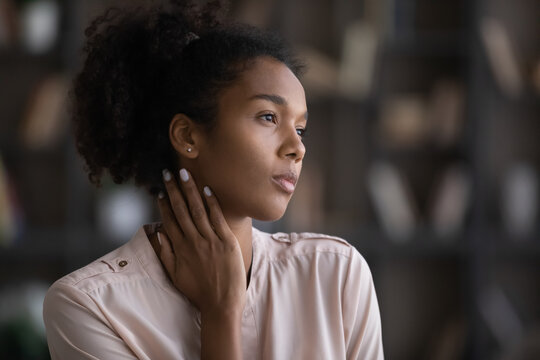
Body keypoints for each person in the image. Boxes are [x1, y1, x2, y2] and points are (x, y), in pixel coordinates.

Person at [42, 1, 384, 359]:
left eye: (300, 128)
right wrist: (221, 310)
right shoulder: (88, 306)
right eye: (268, 117)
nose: (297, 147)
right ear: (187, 136)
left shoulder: (335, 274)